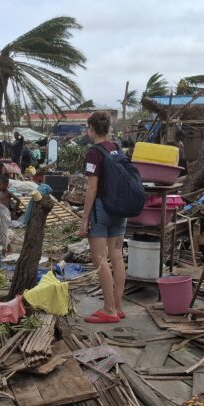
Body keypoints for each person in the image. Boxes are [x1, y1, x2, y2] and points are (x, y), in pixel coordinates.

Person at [78, 111, 127, 323]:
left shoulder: (94, 153)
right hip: (120, 208)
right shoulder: (117, 148)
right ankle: (118, 306)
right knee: (116, 255)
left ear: (91, 129)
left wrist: (84, 219)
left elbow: (91, 188)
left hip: (102, 209)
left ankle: (108, 310)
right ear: (107, 129)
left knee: (99, 258)